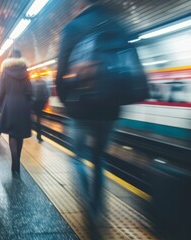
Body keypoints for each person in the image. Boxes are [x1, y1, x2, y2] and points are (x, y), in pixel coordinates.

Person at [55, 0, 125, 237]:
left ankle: (89, 212)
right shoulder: (116, 23)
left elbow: (61, 72)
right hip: (110, 108)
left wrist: (67, 101)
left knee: (77, 159)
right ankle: (99, 210)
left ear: (79, 5)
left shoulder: (73, 28)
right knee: (99, 160)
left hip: (81, 107)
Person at [0, 49, 32, 174]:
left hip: (9, 103)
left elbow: (1, 91)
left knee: (12, 133)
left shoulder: (5, 71)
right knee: (20, 134)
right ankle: (18, 160)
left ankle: (14, 162)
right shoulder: (25, 72)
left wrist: (1, 103)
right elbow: (29, 91)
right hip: (22, 105)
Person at [31, 78, 50, 143]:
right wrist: (44, 101)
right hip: (40, 103)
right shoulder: (44, 82)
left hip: (32, 103)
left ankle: (29, 130)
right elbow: (48, 94)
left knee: (30, 117)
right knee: (38, 120)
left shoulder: (31, 82)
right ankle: (39, 136)